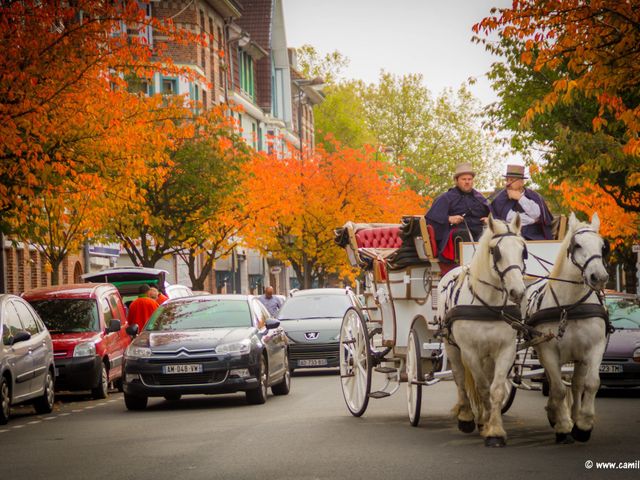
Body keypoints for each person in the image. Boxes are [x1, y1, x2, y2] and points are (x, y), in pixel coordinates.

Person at [426, 162, 490, 263]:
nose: (467, 182)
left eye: (469, 179)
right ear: (456, 181)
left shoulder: (479, 198)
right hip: (457, 233)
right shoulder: (446, 198)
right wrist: (449, 219)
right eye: (464, 179)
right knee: (462, 233)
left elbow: (493, 214)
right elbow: (430, 219)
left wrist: (489, 219)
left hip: (479, 231)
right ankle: (467, 265)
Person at [489, 164, 553, 240]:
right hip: (511, 237)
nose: (508, 184)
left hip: (535, 237)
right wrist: (532, 220)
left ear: (522, 182)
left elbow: (536, 214)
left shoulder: (534, 196)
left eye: (512, 180)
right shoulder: (501, 198)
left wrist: (520, 198)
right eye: (507, 180)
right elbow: (510, 218)